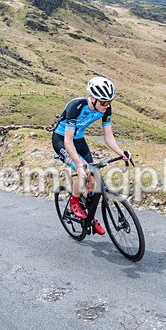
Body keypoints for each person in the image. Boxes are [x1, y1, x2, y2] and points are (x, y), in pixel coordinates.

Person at [52, 76, 130, 235]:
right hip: (61, 140)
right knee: (85, 170)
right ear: (93, 98)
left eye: (109, 102)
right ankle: (74, 202)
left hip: (79, 139)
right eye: (103, 102)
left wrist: (120, 152)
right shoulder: (76, 106)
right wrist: (78, 164)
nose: (106, 106)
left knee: (94, 178)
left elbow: (108, 136)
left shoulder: (105, 109)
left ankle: (89, 216)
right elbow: (68, 140)